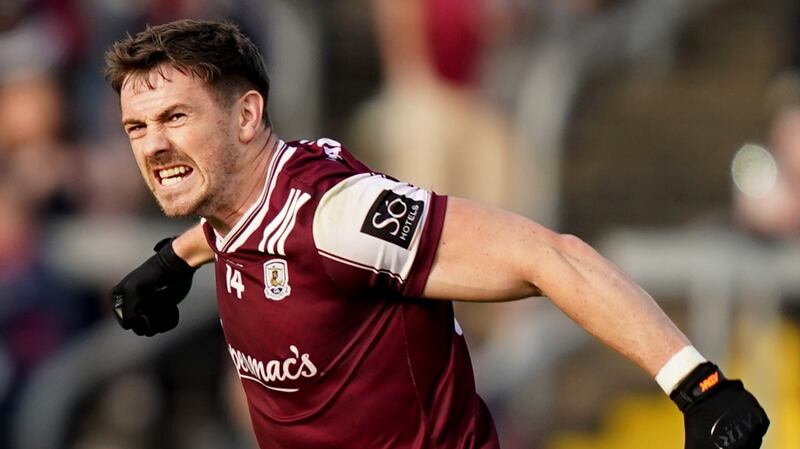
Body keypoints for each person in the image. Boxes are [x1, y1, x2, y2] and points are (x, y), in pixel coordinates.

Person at [105, 19, 768, 449]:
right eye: (138, 127)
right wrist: (176, 258)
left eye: (176, 116)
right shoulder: (242, 204)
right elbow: (245, 224)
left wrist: (698, 386)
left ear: (247, 114)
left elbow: (549, 256)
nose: (154, 144)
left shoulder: (342, 217)